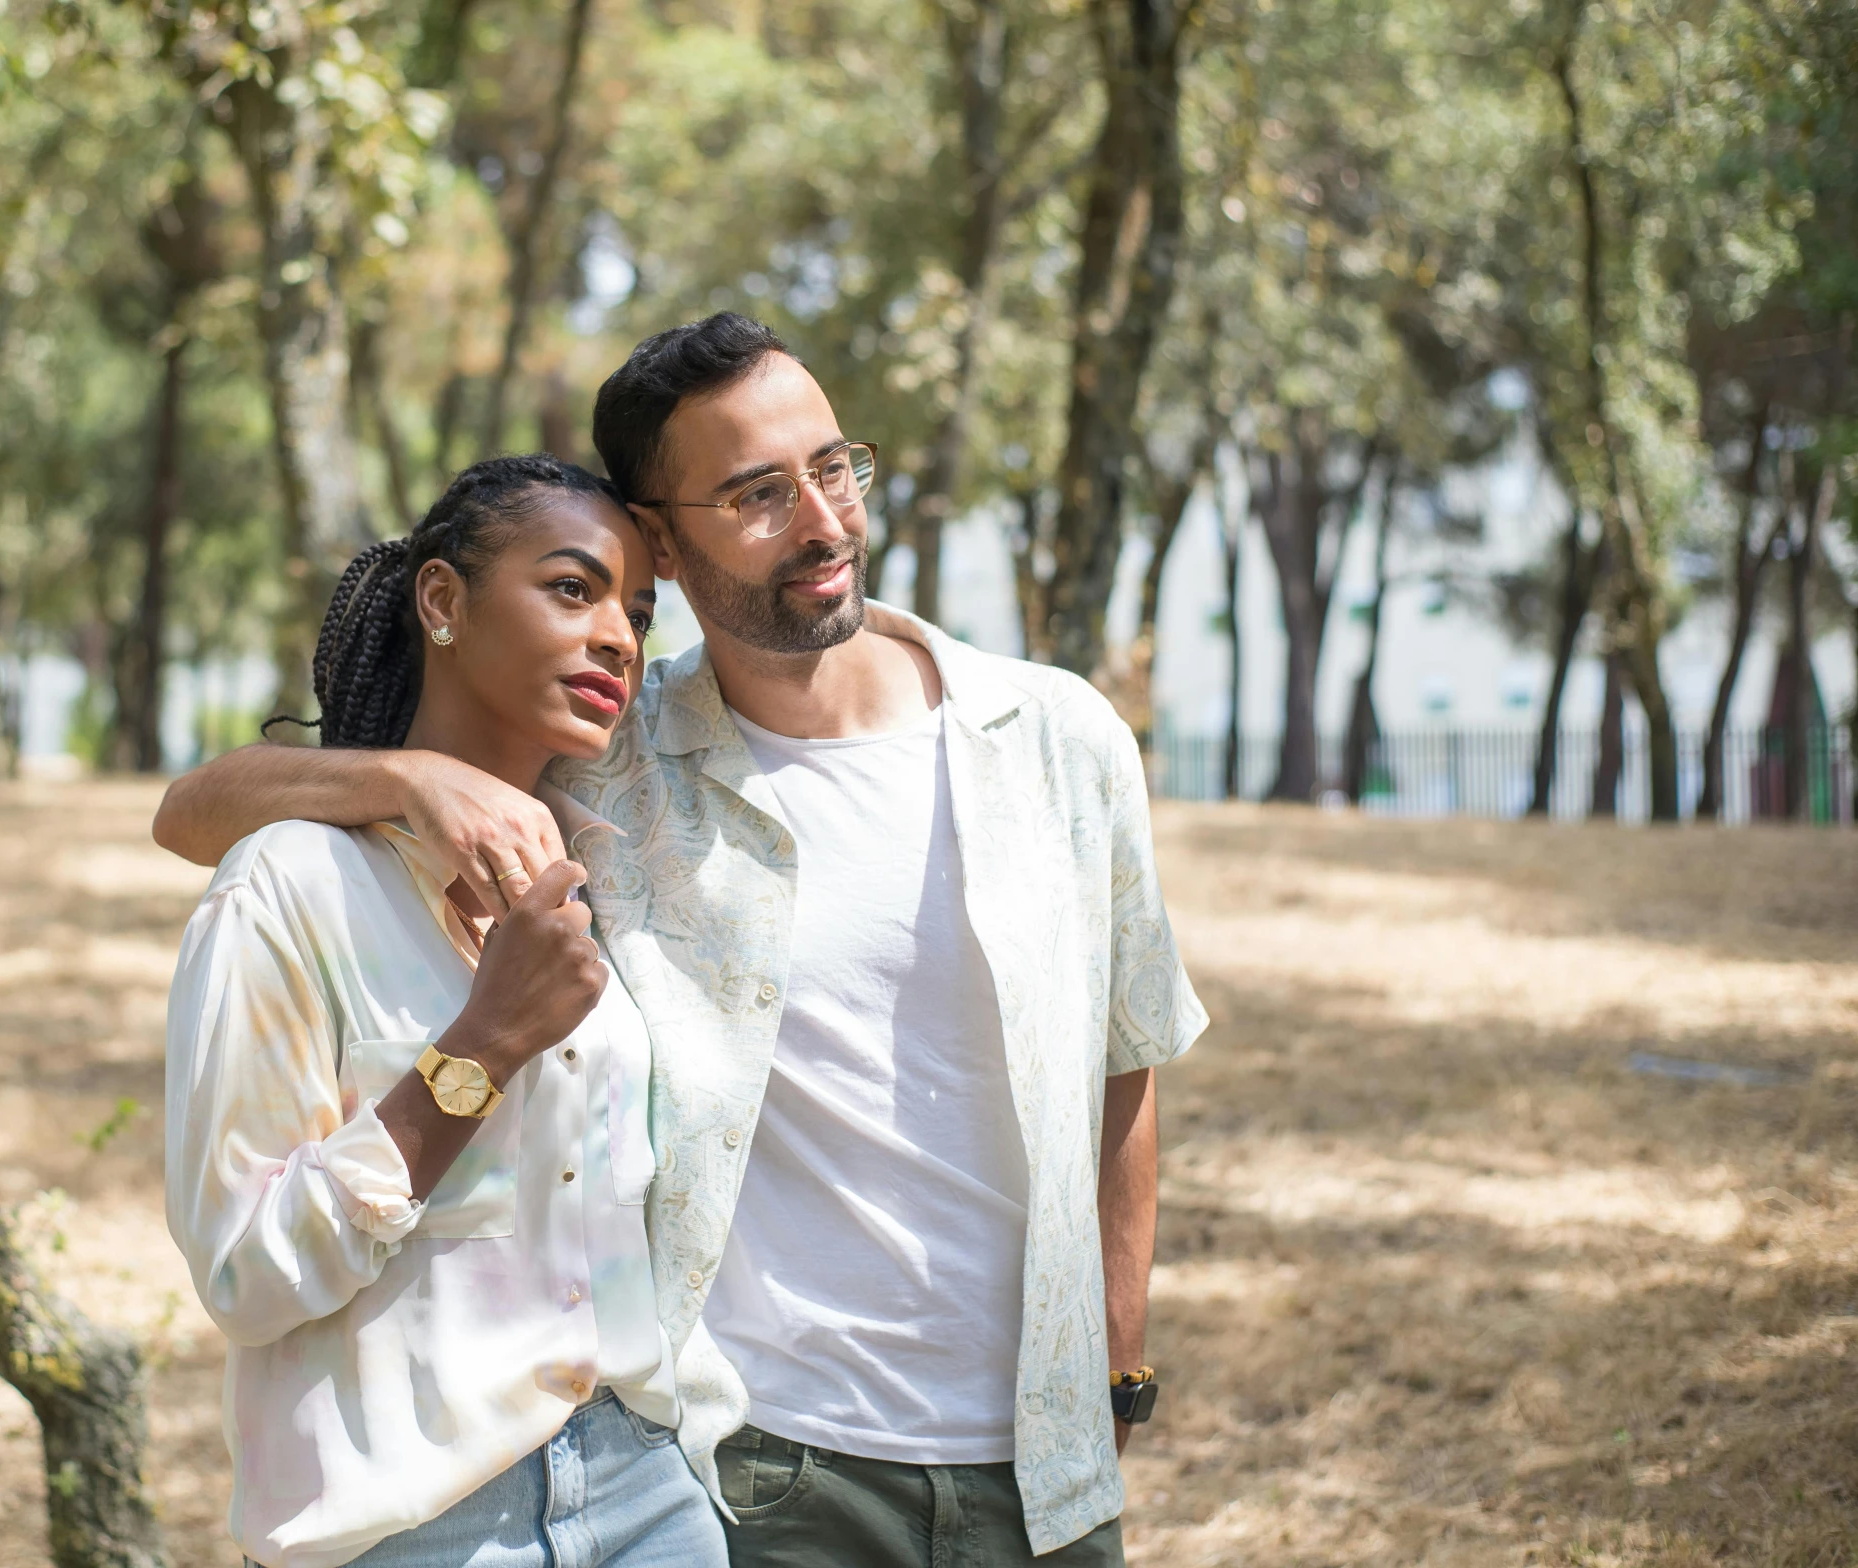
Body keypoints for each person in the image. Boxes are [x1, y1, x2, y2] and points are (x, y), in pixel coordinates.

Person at [155, 315, 1209, 1568]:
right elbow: (194, 811)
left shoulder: (1055, 738)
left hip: (1041, 1459)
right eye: (757, 494)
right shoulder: (613, 748)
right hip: (763, 1468)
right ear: (660, 531)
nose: (822, 523)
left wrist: (1121, 1357)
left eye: (833, 467)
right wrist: (411, 778)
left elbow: (1126, 1046)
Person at [162, 454, 727, 1568]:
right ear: (441, 601)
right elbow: (243, 1276)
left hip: (650, 1490)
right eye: (573, 589)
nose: (618, 633)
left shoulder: (618, 855)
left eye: (639, 612)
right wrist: (481, 1047)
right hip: (412, 1521)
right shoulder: (294, 886)